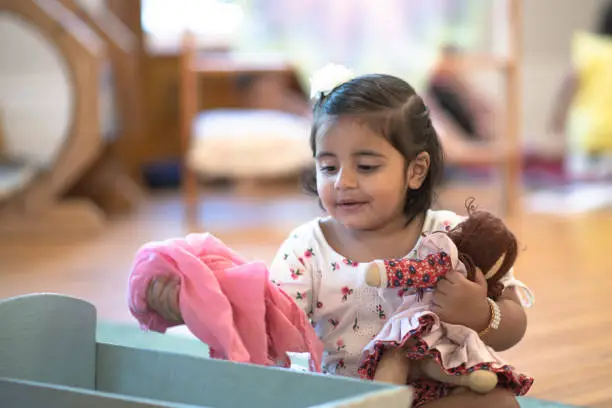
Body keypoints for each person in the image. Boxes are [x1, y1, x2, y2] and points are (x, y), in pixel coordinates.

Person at [147, 72, 534, 408]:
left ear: (416, 170)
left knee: (498, 401)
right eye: (328, 166)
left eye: (366, 166)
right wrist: (196, 303)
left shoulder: (450, 236)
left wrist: (480, 313)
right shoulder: (307, 248)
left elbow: (514, 325)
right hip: (346, 399)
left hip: (439, 392)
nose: (343, 182)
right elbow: (265, 320)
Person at [548, 0, 612, 180]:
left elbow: (569, 84)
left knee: (583, 196)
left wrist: (557, 119)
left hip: (587, 137)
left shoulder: (588, 48)